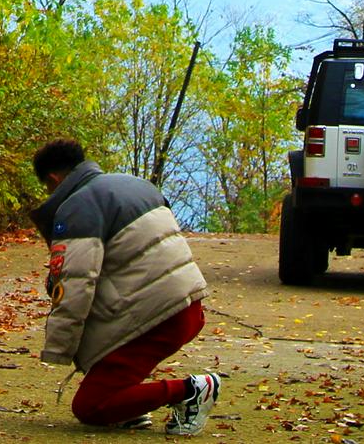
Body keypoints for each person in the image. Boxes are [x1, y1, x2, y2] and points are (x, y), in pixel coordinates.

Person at [30, 139, 222, 436]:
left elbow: (76, 285)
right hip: (186, 305)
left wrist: (59, 350)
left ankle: (191, 390)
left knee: (91, 406)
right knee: (107, 370)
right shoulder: (136, 185)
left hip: (158, 318)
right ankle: (130, 412)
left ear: (53, 180)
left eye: (47, 188)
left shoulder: (78, 207)